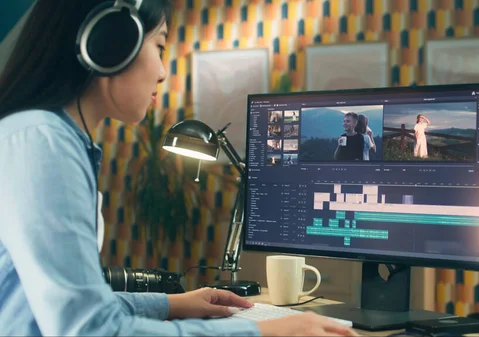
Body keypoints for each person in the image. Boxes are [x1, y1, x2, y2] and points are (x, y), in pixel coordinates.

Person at [0, 1, 358, 336]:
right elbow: (91, 328)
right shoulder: (44, 141)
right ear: (113, 42)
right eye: (159, 47)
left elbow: (76, 305)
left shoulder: (44, 136)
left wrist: (171, 304)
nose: (162, 72)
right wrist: (262, 330)